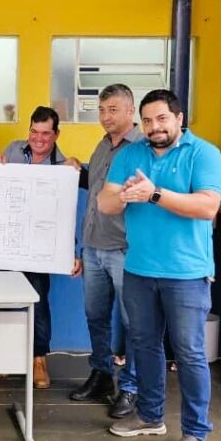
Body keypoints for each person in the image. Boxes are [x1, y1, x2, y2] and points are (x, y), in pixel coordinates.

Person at [99, 89, 221, 441]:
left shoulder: (203, 153)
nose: (154, 127)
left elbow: (207, 207)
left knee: (189, 353)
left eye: (162, 119)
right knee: (145, 345)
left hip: (187, 274)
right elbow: (105, 203)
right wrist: (124, 195)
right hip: (139, 270)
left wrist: (154, 194)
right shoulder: (131, 154)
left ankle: (196, 433)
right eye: (148, 120)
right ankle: (150, 416)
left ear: (179, 119)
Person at [0, 106, 82, 389]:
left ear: (56, 134)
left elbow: (66, 214)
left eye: (45, 133)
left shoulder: (64, 166)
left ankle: (39, 361)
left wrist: (72, 251)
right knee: (0, 301)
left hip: (39, 246)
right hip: (5, 241)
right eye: (34, 131)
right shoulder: (13, 150)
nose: (38, 139)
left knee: (37, 301)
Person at [68, 84, 142, 418]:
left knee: (133, 322)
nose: (106, 116)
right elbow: (97, 188)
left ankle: (131, 386)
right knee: (95, 315)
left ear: (130, 111)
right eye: (101, 110)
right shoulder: (101, 146)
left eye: (113, 109)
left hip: (126, 249)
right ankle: (101, 373)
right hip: (94, 246)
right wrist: (78, 172)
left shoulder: (142, 148)